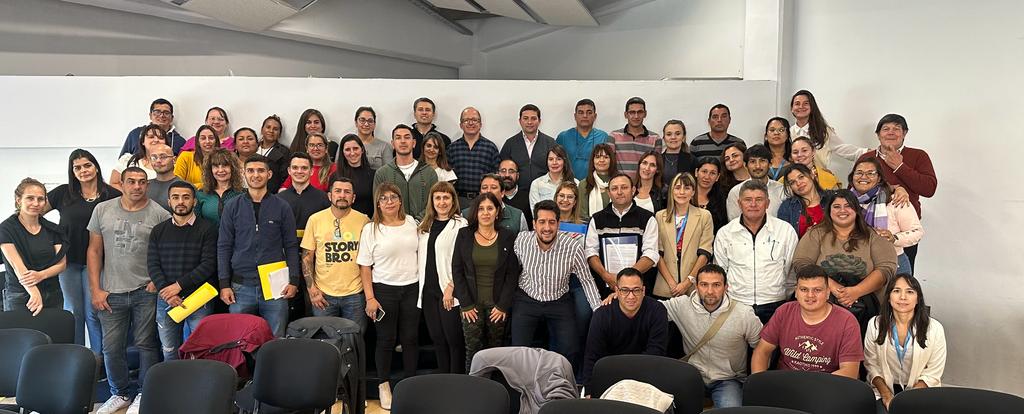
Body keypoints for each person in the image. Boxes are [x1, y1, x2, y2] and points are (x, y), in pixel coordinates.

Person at [86, 166, 171, 414]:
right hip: (111, 292)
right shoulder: (103, 210)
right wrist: (95, 289)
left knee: (146, 344)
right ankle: (120, 393)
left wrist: (157, 281)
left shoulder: (159, 214)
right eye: (131, 181)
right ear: (121, 184)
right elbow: (94, 251)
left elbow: (166, 251)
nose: (137, 186)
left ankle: (144, 393)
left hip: (146, 290)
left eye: (142, 182)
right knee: (111, 348)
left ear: (147, 184)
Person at [510, 200, 602, 370]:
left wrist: (599, 311)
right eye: (542, 222)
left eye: (552, 222)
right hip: (527, 298)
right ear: (534, 224)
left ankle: (563, 388)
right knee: (518, 350)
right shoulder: (522, 240)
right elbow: (510, 271)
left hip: (558, 300)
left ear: (559, 224)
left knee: (571, 350)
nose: (547, 228)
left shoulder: (572, 247)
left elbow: (587, 280)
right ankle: (524, 390)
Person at [792, 189, 899, 332]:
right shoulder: (815, 234)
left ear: (856, 210)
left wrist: (856, 291)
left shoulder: (873, 236)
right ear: (829, 211)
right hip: (819, 303)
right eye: (836, 206)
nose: (842, 210)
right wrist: (834, 288)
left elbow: (886, 269)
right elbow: (801, 263)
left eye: (848, 205)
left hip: (865, 308)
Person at [218, 155, 300, 338]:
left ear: (269, 174)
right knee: (240, 341)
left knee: (275, 339)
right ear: (244, 174)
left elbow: (291, 246)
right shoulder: (232, 206)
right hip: (240, 286)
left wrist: (294, 280)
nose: (256, 175)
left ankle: (273, 368)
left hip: (275, 286)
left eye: (261, 170)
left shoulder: (282, 206)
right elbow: (223, 246)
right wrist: (224, 284)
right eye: (251, 171)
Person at [48, 149, 121, 352]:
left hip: (100, 263)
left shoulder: (112, 195)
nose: (83, 170)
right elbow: (32, 212)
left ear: (96, 167)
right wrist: (52, 235)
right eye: (77, 167)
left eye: (87, 165)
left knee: (95, 312)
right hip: (68, 262)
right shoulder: (63, 193)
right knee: (73, 313)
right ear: (72, 171)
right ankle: (76, 360)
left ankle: (99, 363)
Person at [661, 264, 762, 409]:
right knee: (666, 406)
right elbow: (651, 310)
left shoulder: (744, 314)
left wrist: (754, 383)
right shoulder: (682, 305)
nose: (710, 291)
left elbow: (761, 347)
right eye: (704, 285)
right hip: (692, 375)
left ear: (726, 287)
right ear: (696, 286)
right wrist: (618, 297)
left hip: (728, 379)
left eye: (716, 285)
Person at [357, 183, 421, 410]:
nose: (389, 201)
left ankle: (411, 385)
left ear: (400, 200)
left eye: (393, 197)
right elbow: (365, 266)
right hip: (384, 290)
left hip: (412, 288)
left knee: (411, 339)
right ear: (377, 203)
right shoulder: (371, 229)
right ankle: (384, 386)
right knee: (386, 340)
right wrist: (370, 298)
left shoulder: (412, 223)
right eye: (384, 198)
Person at [147, 181, 217, 361]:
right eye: (176, 197)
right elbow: (153, 264)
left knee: (200, 351)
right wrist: (167, 292)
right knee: (169, 350)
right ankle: (174, 386)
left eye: (186, 197)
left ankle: (199, 388)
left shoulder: (208, 229)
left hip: (198, 298)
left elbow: (208, 264)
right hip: (166, 299)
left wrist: (178, 286)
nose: (181, 202)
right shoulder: (158, 230)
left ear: (194, 201)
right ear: (169, 201)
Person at [752, 265, 863, 379]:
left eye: (817, 290)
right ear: (796, 292)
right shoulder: (784, 311)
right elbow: (762, 351)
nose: (810, 295)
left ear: (828, 293)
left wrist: (808, 389)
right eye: (804, 289)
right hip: (785, 384)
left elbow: (850, 371)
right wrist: (758, 383)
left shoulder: (847, 321)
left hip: (827, 387)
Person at [855, 114, 936, 268]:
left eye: (896, 129)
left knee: (902, 276)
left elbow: (929, 188)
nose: (891, 132)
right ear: (878, 135)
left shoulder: (918, 155)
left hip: (904, 229)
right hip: (867, 228)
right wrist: (895, 188)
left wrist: (900, 167)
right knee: (868, 274)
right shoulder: (866, 158)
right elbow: (855, 189)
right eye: (886, 129)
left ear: (904, 133)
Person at [714, 180, 799, 324]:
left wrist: (781, 294)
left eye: (759, 200)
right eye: (748, 200)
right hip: (737, 304)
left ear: (767, 203)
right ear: (739, 204)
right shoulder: (725, 233)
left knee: (773, 346)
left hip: (775, 304)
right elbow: (721, 270)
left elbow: (791, 269)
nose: (753, 204)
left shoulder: (785, 230)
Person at [454, 193, 521, 371]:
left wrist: (503, 306)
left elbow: (512, 274)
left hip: (497, 307)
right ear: (475, 213)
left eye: (490, 208)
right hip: (471, 307)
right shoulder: (464, 234)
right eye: (481, 209)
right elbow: (457, 270)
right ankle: (472, 390)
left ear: (497, 212)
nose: (485, 213)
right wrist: (466, 304)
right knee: (473, 352)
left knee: (496, 352)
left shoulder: (507, 236)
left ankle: (494, 392)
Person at [865, 274, 946, 413]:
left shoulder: (935, 328)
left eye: (909, 291)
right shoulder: (875, 324)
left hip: (920, 391)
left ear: (917, 299)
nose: (903, 297)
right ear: (889, 298)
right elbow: (871, 366)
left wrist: (907, 399)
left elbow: (933, 372)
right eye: (896, 291)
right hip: (884, 390)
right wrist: (886, 395)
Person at [300, 176, 371, 331]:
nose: (342, 195)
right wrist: (312, 289)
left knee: (354, 341)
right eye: (338, 191)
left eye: (347, 192)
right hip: (323, 295)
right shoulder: (315, 220)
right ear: (329, 195)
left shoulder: (364, 221)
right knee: (325, 342)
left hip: (355, 295)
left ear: (353, 197)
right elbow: (307, 257)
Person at [580, 268, 668, 390]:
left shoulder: (657, 311)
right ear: (617, 291)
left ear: (643, 291)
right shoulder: (602, 315)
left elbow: (656, 353)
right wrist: (590, 390)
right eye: (625, 290)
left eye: (636, 290)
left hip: (646, 376)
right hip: (610, 377)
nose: (631, 296)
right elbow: (592, 356)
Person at [417, 182, 468, 374]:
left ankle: (456, 382)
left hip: (449, 291)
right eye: (437, 197)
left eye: (446, 197)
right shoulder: (424, 225)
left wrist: (451, 287)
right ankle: (443, 382)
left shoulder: (460, 225)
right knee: (437, 339)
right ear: (432, 200)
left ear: (453, 200)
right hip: (428, 291)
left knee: (453, 341)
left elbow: (465, 261)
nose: (442, 202)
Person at [585, 173, 660, 293]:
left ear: (633, 190)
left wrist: (627, 279)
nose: (619, 192)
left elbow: (651, 254)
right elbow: (590, 251)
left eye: (624, 187)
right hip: (605, 286)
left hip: (637, 290)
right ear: (609, 193)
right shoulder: (597, 219)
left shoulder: (647, 218)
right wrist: (605, 275)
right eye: (614, 188)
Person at [2, 178, 67, 314]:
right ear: (18, 200)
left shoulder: (53, 230)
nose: (36, 203)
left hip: (52, 294)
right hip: (20, 295)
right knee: (21, 335)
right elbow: (17, 266)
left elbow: (62, 264)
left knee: (53, 335)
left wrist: (41, 275)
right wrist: (35, 293)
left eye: (40, 199)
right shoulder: (6, 229)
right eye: (30, 198)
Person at [849, 158, 923, 275]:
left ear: (879, 178)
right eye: (859, 173)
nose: (864, 177)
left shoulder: (896, 201)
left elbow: (917, 232)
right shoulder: (845, 202)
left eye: (871, 173)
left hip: (893, 263)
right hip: (855, 265)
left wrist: (893, 238)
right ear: (852, 177)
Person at [654, 173, 713, 298]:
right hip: (666, 284)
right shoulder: (660, 216)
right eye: (677, 187)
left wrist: (687, 282)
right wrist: (672, 283)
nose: (682, 192)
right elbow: (657, 253)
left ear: (692, 192)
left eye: (687, 188)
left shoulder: (704, 216)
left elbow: (705, 252)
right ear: (671, 191)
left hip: (693, 284)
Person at [373, 124, 439, 220]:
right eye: (398, 138)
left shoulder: (429, 172)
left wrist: (417, 222)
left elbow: (434, 202)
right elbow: (378, 203)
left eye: (407, 137)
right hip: (392, 228)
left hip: (423, 228)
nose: (403, 141)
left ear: (414, 143)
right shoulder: (382, 173)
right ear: (393, 144)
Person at [790, 90, 868, 169]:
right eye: (797, 104)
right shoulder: (788, 133)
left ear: (812, 107)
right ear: (792, 108)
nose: (801, 107)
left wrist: (866, 152)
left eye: (806, 103)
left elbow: (842, 148)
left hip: (819, 178)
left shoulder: (824, 131)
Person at [500, 104, 557, 196]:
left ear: (539, 121)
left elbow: (557, 168)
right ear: (520, 121)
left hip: (544, 194)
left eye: (533, 118)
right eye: (525, 118)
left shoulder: (550, 143)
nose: (529, 122)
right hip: (517, 195)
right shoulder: (510, 144)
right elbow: (502, 170)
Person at [449, 107, 500, 206]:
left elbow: (496, 176)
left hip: (484, 199)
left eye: (474, 120)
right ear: (461, 125)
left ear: (480, 124)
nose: (470, 123)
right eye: (466, 120)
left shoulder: (490, 147)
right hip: (458, 200)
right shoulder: (452, 148)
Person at [726, 144, 787, 221]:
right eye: (752, 161)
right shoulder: (736, 192)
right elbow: (734, 223)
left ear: (770, 164)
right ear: (745, 165)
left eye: (762, 161)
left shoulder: (781, 190)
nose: (758, 166)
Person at [277, 152, 331, 236]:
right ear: (289, 171)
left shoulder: (323, 198)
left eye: (304, 168)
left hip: (314, 247)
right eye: (295, 167)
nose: (299, 171)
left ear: (311, 171)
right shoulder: (278, 199)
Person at [609, 97, 662, 179]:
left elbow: (656, 168)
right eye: (632, 112)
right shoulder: (614, 136)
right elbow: (610, 165)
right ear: (626, 115)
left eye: (640, 112)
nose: (636, 116)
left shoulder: (655, 139)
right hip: (621, 187)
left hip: (644, 188)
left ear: (645, 114)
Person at [556, 98, 611, 177]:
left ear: (595, 116)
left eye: (589, 113)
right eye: (581, 113)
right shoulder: (563, 137)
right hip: (569, 184)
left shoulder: (603, 137)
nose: (585, 116)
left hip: (595, 185)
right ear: (575, 116)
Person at [118, 98, 186, 156]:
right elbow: (121, 163)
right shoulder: (135, 134)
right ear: (150, 115)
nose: (162, 115)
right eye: (157, 112)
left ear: (172, 118)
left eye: (166, 113)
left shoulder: (180, 142)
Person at [194, 149, 243, 226]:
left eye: (225, 165)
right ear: (210, 170)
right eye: (216, 166)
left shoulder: (242, 193)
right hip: (209, 237)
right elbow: (196, 224)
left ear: (233, 168)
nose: (220, 170)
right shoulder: (201, 194)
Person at [777, 163, 827, 238]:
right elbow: (784, 239)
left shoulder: (831, 198)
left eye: (801, 177)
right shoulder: (786, 207)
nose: (798, 183)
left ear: (812, 175)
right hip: (802, 248)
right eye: (792, 182)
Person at [111, 124, 165, 189]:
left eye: (161, 138)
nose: (156, 140)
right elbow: (114, 183)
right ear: (143, 142)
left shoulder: (172, 164)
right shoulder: (127, 160)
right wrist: (130, 197)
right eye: (151, 137)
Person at [335, 134, 376, 217]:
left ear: (362, 150)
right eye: (347, 149)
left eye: (355, 148)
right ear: (342, 152)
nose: (352, 153)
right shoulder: (336, 176)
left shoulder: (374, 175)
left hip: (368, 223)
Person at [577, 143, 618, 221]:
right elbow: (582, 215)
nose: (601, 160)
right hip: (591, 228)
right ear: (593, 160)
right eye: (597, 157)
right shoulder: (584, 184)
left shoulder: (619, 182)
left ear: (611, 160)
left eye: (606, 157)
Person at [528, 145, 577, 210]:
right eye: (551, 159)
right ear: (547, 161)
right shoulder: (537, 184)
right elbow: (535, 211)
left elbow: (577, 209)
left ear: (564, 161)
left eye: (558, 159)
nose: (554, 162)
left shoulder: (575, 183)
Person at [174, 125, 219, 189]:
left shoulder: (222, 159)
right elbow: (177, 184)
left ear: (216, 141)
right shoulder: (185, 157)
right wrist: (203, 186)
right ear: (197, 142)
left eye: (211, 138)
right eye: (203, 138)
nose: (207, 141)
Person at [692, 157, 729, 234]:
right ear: (696, 172)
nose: (707, 177)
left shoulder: (722, 199)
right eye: (704, 171)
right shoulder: (685, 195)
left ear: (717, 177)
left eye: (712, 173)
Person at [256, 115, 291, 193]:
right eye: (268, 127)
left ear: (279, 134)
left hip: (272, 194)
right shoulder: (253, 147)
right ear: (262, 130)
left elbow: (284, 178)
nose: (271, 131)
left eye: (275, 129)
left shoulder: (284, 152)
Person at [145, 144, 182, 212]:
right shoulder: (144, 186)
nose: (158, 161)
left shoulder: (184, 187)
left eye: (163, 157)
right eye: (154, 157)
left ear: (174, 160)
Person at [497, 159, 533, 227]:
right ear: (498, 174)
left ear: (518, 175)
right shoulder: (494, 198)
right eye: (503, 171)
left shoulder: (528, 197)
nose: (507, 175)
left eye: (511, 171)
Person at [661, 120, 696, 186]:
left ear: (683, 137)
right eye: (669, 134)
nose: (673, 137)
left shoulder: (691, 160)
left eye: (677, 134)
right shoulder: (657, 160)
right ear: (664, 138)